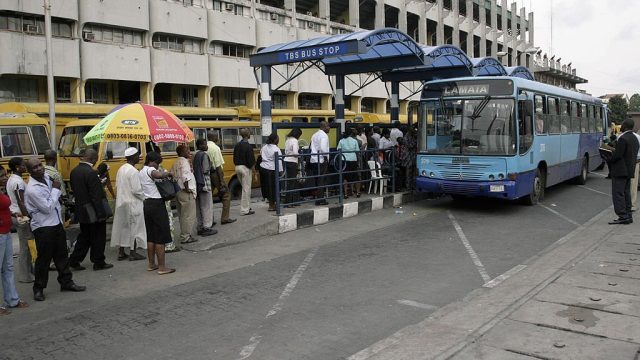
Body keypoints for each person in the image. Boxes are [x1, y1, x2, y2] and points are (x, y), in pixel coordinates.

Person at [24, 157, 86, 301]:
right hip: (43, 227)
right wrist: (56, 190)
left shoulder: (47, 177)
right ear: (29, 171)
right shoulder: (32, 190)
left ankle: (66, 282)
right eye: (35, 167)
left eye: (40, 165)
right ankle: (38, 289)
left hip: (56, 223)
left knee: (62, 255)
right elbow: (47, 207)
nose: (39, 168)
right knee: (44, 259)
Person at [69, 149, 113, 271]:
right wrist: (101, 213)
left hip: (81, 210)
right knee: (98, 237)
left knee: (84, 237)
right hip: (93, 211)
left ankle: (74, 260)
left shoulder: (74, 171)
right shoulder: (91, 173)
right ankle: (98, 261)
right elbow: (96, 196)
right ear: (93, 159)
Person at [139, 152, 175, 275]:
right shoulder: (150, 170)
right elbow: (157, 174)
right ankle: (162, 267)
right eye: (157, 163)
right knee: (160, 236)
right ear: (151, 161)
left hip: (147, 204)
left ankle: (151, 264)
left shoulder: (141, 171)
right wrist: (168, 173)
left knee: (151, 236)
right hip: (157, 205)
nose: (157, 165)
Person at [0, 165, 28, 314]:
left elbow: (4, 208)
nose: (5, 177)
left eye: (5, 174)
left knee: (8, 267)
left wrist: (13, 215)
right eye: (1, 176)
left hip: (5, 233)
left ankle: (12, 300)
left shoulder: (1, 190)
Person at [110, 147, 147, 261]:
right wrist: (144, 197)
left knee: (123, 227)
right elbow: (136, 190)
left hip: (122, 202)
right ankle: (133, 252)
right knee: (135, 228)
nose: (139, 157)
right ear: (133, 157)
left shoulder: (121, 169)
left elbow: (117, 186)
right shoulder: (134, 171)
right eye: (137, 155)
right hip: (133, 203)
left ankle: (121, 252)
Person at [6, 157, 33, 283]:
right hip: (21, 217)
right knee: (25, 247)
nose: (25, 166)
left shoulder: (12, 178)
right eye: (23, 165)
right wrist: (27, 216)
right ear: (17, 167)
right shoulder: (17, 182)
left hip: (17, 215)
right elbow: (21, 201)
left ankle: (28, 272)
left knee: (26, 246)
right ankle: (25, 276)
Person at [608, 119, 640, 225]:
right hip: (629, 170)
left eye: (622, 124)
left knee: (618, 194)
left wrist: (608, 158)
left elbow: (618, 155)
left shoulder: (623, 139)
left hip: (620, 171)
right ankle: (628, 215)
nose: (621, 126)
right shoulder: (635, 138)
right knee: (626, 193)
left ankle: (622, 216)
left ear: (625, 126)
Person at [207, 130, 236, 224]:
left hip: (208, 174)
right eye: (217, 136)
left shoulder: (205, 146)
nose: (218, 138)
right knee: (226, 196)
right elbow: (218, 166)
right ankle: (225, 218)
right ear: (215, 137)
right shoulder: (215, 148)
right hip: (216, 174)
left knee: (208, 197)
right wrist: (222, 181)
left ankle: (209, 219)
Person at [171, 144, 198, 244]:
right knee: (189, 215)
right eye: (187, 150)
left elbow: (172, 175)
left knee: (182, 215)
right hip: (186, 191)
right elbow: (185, 176)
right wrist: (187, 189)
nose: (189, 152)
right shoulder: (184, 162)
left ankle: (184, 234)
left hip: (178, 191)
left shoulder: (176, 162)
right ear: (182, 152)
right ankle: (186, 237)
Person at [193, 139, 217, 236]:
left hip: (196, 183)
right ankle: (207, 227)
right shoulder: (204, 155)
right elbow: (206, 169)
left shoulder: (194, 154)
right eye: (205, 144)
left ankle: (200, 226)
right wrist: (211, 165)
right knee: (207, 206)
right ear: (200, 145)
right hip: (204, 183)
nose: (206, 146)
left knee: (199, 207)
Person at [233, 128, 256, 215]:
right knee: (246, 190)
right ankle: (244, 210)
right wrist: (254, 173)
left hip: (237, 167)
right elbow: (251, 161)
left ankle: (247, 207)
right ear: (247, 135)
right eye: (250, 132)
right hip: (245, 168)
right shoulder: (248, 146)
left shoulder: (237, 145)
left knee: (244, 188)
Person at [260, 134, 283, 211]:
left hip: (263, 168)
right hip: (272, 169)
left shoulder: (264, 147)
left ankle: (271, 204)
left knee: (267, 187)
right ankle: (272, 205)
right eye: (278, 139)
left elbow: (261, 155)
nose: (278, 140)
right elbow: (279, 162)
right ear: (275, 140)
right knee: (273, 188)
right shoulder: (276, 149)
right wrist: (281, 172)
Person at [310, 121, 330, 205]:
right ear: (324, 127)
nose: (329, 128)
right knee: (321, 180)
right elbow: (323, 148)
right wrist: (326, 157)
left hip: (313, 159)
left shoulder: (314, 135)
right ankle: (320, 199)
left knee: (317, 180)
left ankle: (318, 198)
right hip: (321, 160)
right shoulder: (324, 135)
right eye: (328, 126)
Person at [43, 150, 67, 221]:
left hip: (44, 204)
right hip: (55, 205)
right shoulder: (55, 174)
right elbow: (62, 193)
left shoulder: (41, 171)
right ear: (55, 159)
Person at [337, 128, 361, 198]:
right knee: (355, 176)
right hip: (353, 160)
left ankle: (345, 194)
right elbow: (357, 151)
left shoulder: (341, 141)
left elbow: (338, 150)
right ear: (351, 134)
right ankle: (358, 192)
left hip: (344, 160)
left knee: (345, 177)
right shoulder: (354, 141)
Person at [284, 128, 302, 206]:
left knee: (289, 181)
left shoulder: (288, 140)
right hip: (293, 162)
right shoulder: (294, 140)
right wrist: (300, 155)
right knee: (293, 182)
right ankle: (290, 202)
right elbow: (295, 152)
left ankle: (290, 201)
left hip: (287, 161)